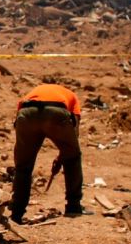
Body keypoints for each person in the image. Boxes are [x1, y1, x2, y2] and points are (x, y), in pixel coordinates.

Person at [11, 81, 84, 221]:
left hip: (27, 112)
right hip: (56, 112)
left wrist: (59, 158)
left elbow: (19, 116)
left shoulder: (34, 92)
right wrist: (63, 157)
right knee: (73, 157)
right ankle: (74, 206)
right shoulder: (72, 96)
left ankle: (16, 212)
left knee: (23, 166)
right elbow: (73, 138)